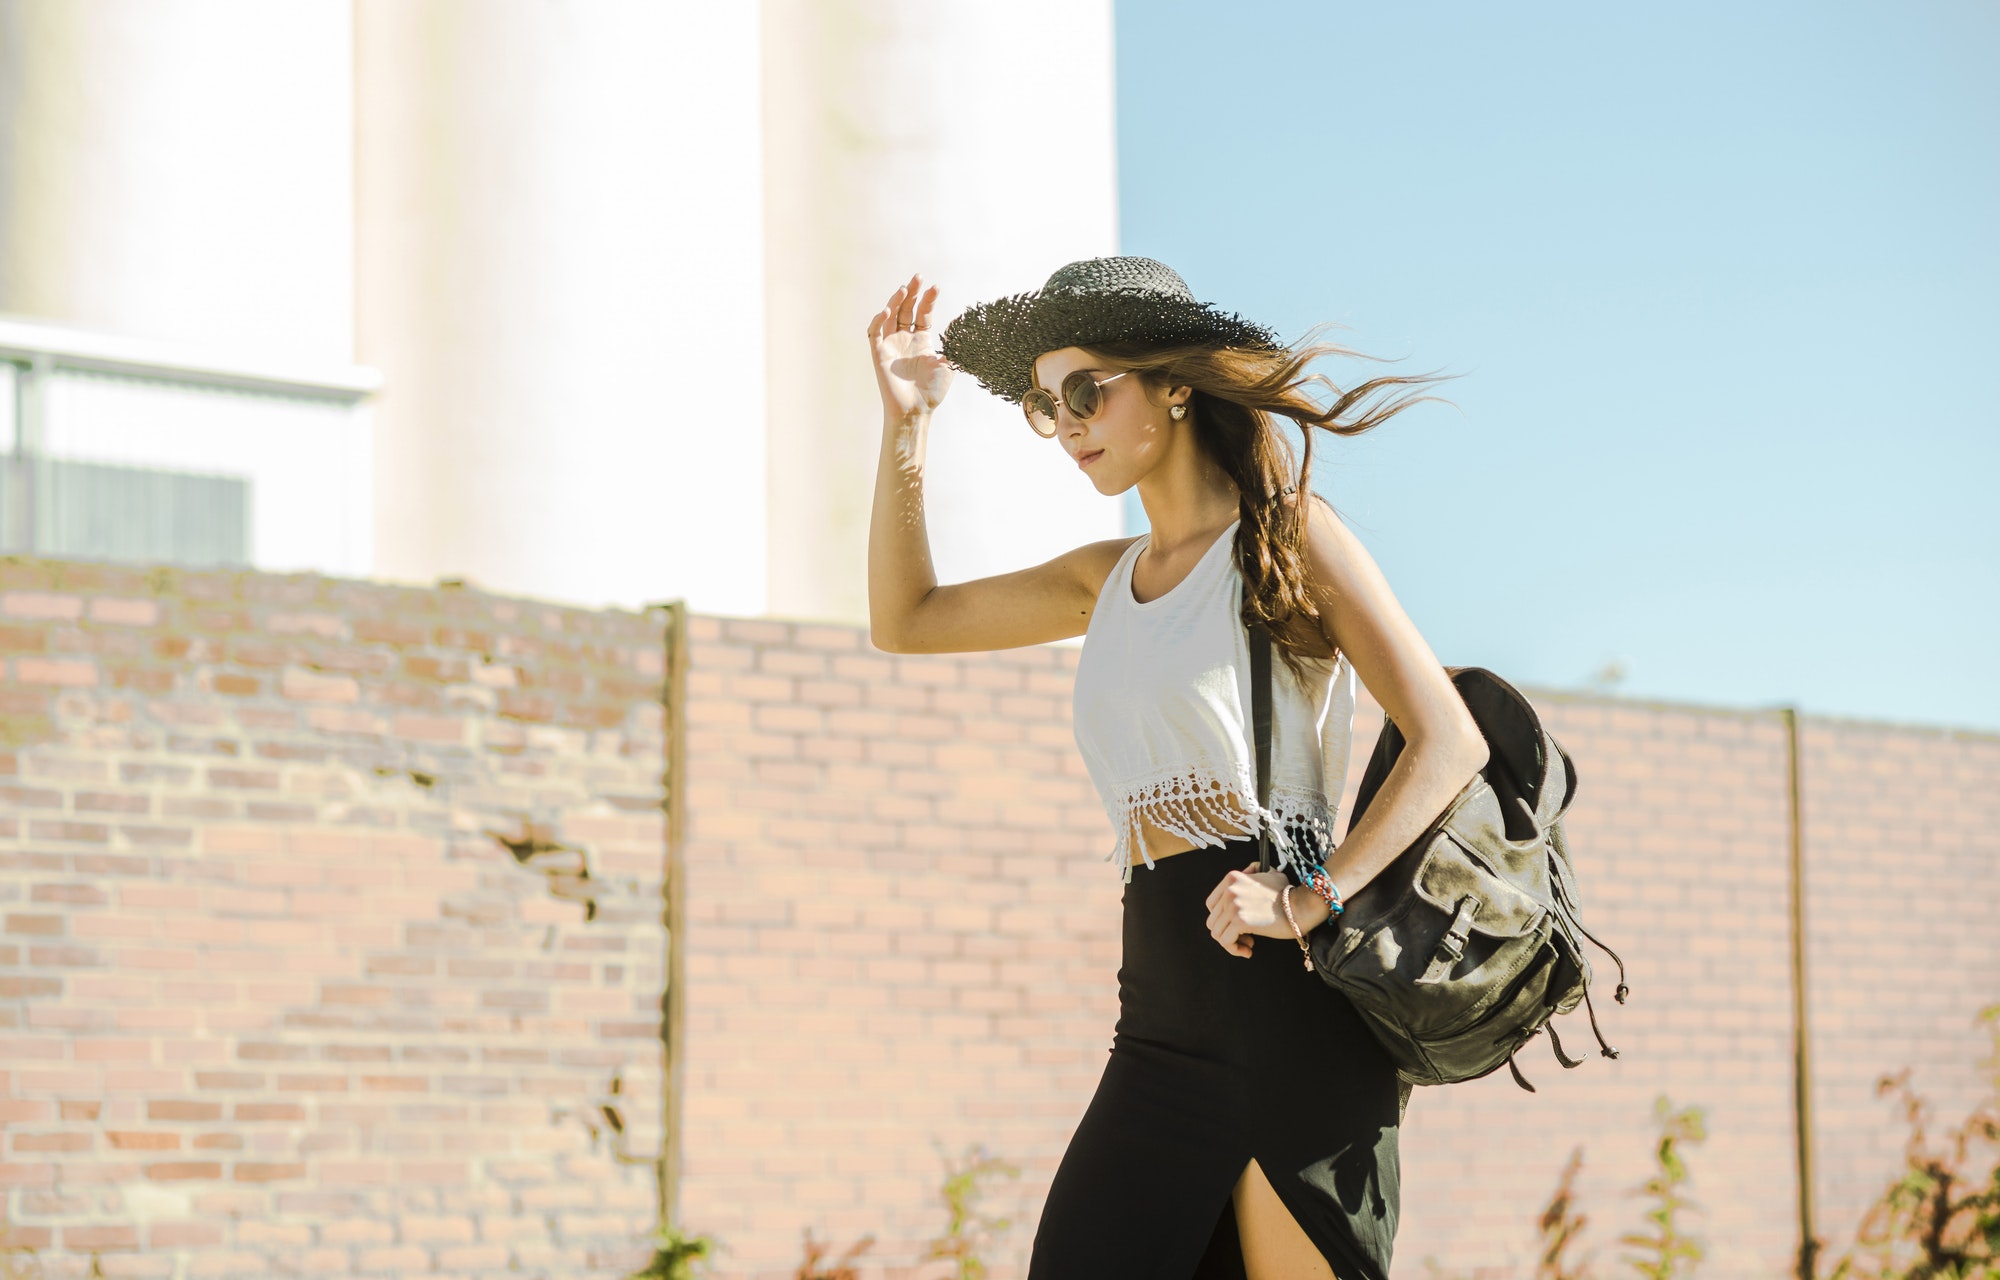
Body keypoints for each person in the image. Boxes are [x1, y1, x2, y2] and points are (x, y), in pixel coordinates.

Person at [864, 256, 1489, 1280]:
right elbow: (906, 620)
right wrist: (908, 425)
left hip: (1285, 1009)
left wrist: (1311, 894)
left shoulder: (1283, 539)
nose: (1063, 422)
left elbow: (1447, 738)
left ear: (1172, 383)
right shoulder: (1099, 579)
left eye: (1083, 390)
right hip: (1156, 1019)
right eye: (1040, 403)